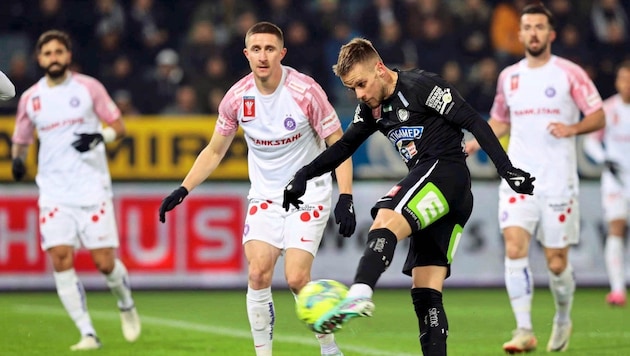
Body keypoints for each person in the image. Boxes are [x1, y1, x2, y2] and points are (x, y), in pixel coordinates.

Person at [283, 37, 535, 356]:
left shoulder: (422, 86)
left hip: (444, 173)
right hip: (446, 193)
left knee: (386, 217)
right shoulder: (371, 109)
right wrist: (303, 174)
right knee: (426, 290)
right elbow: (344, 147)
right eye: (352, 89)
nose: (359, 94)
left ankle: (360, 291)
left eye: (361, 84)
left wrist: (506, 168)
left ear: (379, 69)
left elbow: (472, 121)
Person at [158, 22, 354, 356]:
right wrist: (184, 188)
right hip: (264, 196)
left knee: (295, 278)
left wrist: (346, 196)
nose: (263, 56)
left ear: (282, 53)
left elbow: (340, 145)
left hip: (308, 192)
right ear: (246, 54)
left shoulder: (306, 92)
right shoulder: (236, 98)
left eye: (270, 49)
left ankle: (329, 349)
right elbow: (215, 150)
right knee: (258, 273)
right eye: (257, 49)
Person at [465, 3, 605, 353]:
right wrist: (474, 143)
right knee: (515, 248)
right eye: (527, 27)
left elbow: (599, 114)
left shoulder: (569, 73)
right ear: (520, 33)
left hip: (558, 180)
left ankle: (562, 317)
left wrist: (573, 127)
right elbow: (500, 121)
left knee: (557, 263)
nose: (533, 33)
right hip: (518, 177)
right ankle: (524, 329)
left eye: (539, 27)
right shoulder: (509, 76)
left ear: (551, 33)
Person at [10, 30, 141, 351]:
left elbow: (119, 126)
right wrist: (17, 161)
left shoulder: (88, 88)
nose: (53, 58)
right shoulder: (31, 98)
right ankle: (88, 333)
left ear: (68, 56)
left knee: (104, 262)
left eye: (59, 52)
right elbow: (22, 138)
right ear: (39, 59)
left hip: (91, 187)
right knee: (60, 257)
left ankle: (125, 303)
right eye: (47, 53)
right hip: (54, 192)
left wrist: (101, 137)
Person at [583, 59, 630, 307]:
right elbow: (591, 142)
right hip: (616, 181)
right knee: (616, 228)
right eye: (624, 79)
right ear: (617, 81)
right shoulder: (608, 109)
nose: (627, 85)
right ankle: (618, 289)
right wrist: (606, 159)